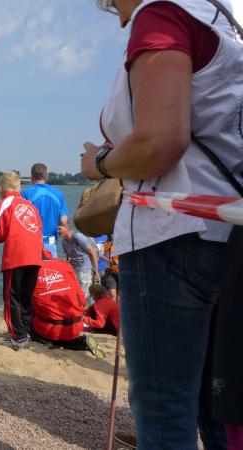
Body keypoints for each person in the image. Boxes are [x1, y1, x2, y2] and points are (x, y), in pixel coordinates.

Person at [84, 1, 243, 446]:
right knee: (219, 403)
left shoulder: (161, 15)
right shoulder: (221, 20)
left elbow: (159, 144)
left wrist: (98, 163)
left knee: (164, 409)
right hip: (228, 233)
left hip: (170, 238)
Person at [0, 171, 43, 349]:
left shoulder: (4, 204)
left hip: (16, 256)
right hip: (35, 256)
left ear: (0, 189)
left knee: (11, 296)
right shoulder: (30, 205)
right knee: (27, 296)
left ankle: (17, 336)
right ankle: (25, 331)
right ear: (19, 188)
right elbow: (38, 229)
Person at [30, 251, 100, 356]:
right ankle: (78, 342)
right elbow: (82, 298)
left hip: (49, 328)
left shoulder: (31, 269)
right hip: (76, 326)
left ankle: (48, 341)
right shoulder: (65, 265)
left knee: (29, 305)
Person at [21, 163, 69, 257]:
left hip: (31, 243)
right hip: (50, 243)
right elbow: (63, 221)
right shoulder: (58, 194)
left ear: (31, 177)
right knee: (50, 266)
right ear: (46, 176)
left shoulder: (25, 194)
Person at [58, 222, 99, 306]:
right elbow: (68, 257)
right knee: (79, 295)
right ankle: (90, 312)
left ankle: (91, 312)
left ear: (67, 227)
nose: (58, 231)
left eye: (59, 229)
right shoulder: (64, 242)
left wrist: (96, 272)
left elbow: (93, 253)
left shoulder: (78, 237)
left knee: (85, 296)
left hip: (85, 269)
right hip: (74, 270)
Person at [100, 237, 119, 301]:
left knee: (120, 295)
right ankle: (113, 307)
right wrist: (109, 261)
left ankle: (118, 307)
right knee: (112, 293)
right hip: (110, 272)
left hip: (122, 271)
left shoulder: (124, 241)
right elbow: (100, 255)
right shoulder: (108, 243)